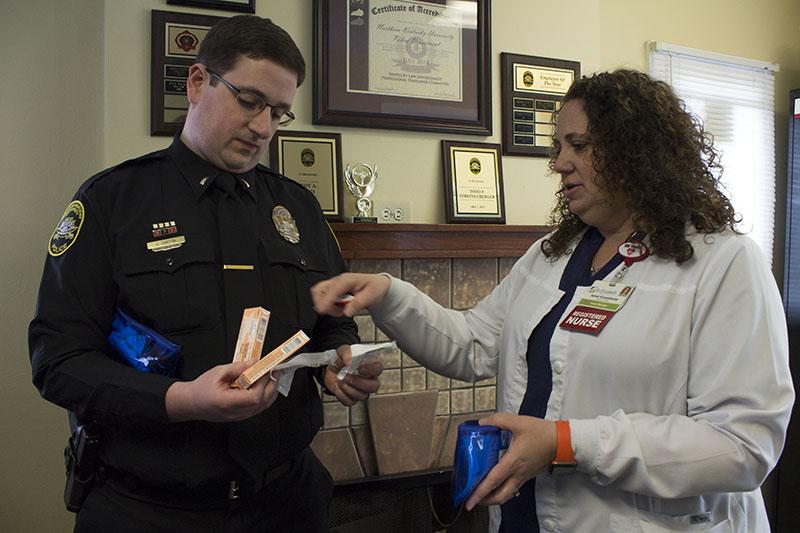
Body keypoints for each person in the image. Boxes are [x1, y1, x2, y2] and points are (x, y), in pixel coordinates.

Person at [312, 69, 794, 532]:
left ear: (638, 152)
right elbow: (473, 344)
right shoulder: (552, 254)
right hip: (527, 518)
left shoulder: (723, 263)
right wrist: (389, 294)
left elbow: (742, 445)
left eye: (579, 146)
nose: (559, 163)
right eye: (557, 147)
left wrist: (568, 443)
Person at [29, 15, 381, 533]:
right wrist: (181, 401)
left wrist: (341, 362)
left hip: (288, 503)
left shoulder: (299, 208)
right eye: (249, 100)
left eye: (279, 113)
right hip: (148, 508)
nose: (263, 127)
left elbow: (329, 319)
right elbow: (57, 360)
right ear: (197, 83)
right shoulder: (111, 202)